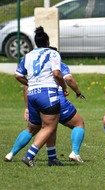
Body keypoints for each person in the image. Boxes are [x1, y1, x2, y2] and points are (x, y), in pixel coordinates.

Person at [5, 61, 86, 164]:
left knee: (32, 129)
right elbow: (69, 79)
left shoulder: (36, 67)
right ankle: (74, 152)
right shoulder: (59, 64)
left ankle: (11, 154)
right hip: (54, 99)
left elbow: (26, 87)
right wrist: (78, 92)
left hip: (35, 100)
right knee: (78, 124)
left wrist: (27, 108)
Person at [15, 26, 69, 167]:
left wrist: (30, 83)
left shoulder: (28, 55)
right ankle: (29, 155)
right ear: (47, 42)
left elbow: (18, 75)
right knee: (49, 126)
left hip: (32, 94)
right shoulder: (53, 53)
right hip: (48, 93)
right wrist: (64, 87)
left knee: (47, 126)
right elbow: (57, 74)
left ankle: (52, 158)